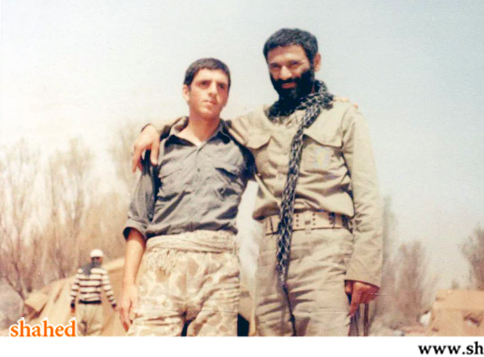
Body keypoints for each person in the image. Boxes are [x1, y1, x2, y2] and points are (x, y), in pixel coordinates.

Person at [133, 29, 382, 336]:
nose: (284, 74)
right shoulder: (257, 122)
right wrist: (155, 127)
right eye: (275, 67)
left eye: (294, 64)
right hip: (271, 256)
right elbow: (204, 121)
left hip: (327, 250)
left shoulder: (343, 116)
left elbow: (368, 196)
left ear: (316, 62)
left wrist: (365, 267)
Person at [119, 58, 253, 336]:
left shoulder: (241, 147)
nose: (213, 91)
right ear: (186, 91)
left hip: (219, 270)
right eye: (204, 84)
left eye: (221, 86)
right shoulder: (160, 149)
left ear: (227, 96)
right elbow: (138, 221)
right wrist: (128, 284)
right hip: (163, 268)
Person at [69, 248, 117, 336]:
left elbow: (74, 288)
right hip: (94, 306)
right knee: (95, 331)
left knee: (80, 332)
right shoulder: (101, 271)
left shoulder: (81, 271)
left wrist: (72, 304)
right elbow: (107, 289)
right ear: (100, 259)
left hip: (81, 306)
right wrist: (113, 303)